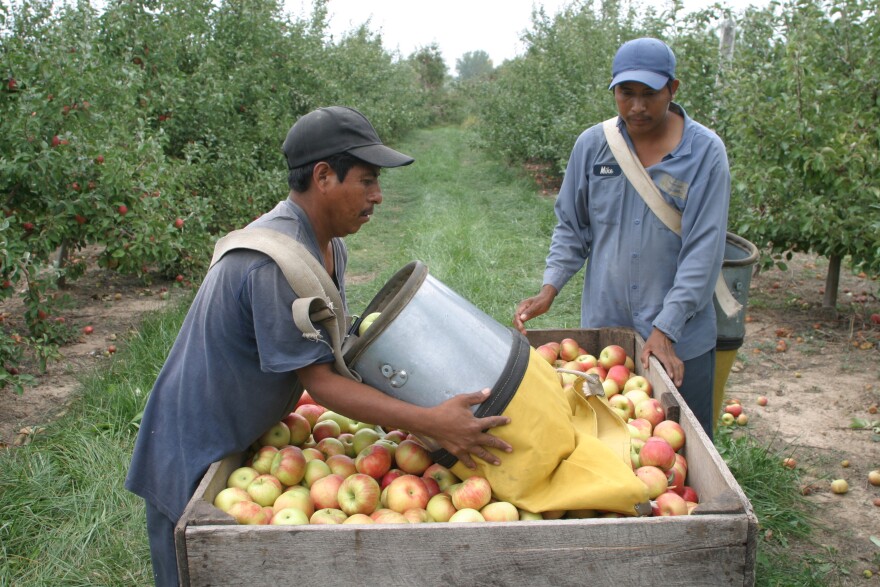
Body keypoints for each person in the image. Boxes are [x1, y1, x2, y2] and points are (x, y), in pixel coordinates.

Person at [125, 106, 512, 587]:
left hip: (247, 440)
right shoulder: (273, 264)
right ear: (324, 176)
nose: (378, 196)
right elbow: (321, 383)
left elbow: (332, 349)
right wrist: (428, 421)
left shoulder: (328, 245)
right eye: (368, 181)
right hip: (194, 447)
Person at [513, 38, 730, 439]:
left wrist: (666, 329)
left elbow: (704, 250)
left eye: (650, 94)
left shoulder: (705, 154)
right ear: (614, 90)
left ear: (673, 90)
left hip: (679, 338)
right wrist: (550, 287)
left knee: (684, 451)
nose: (637, 107)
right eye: (626, 93)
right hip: (606, 330)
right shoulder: (593, 146)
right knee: (603, 443)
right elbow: (571, 226)